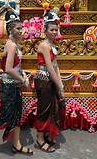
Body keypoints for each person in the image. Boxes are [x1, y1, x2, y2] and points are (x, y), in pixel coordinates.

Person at [0, 11, 33, 156]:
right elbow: (9, 69)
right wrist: (23, 79)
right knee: (6, 115)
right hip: (8, 85)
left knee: (17, 114)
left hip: (15, 85)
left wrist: (22, 75)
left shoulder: (16, 45)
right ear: (10, 29)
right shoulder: (10, 45)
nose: (20, 30)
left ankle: (16, 144)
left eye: (21, 28)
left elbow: (16, 67)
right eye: (18, 28)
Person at [34, 10, 65, 153]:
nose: (54, 32)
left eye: (55, 29)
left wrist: (60, 85)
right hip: (44, 80)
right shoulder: (44, 45)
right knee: (43, 109)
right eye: (51, 30)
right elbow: (50, 68)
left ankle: (47, 132)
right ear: (45, 31)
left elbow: (56, 66)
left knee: (53, 106)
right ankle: (39, 139)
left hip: (50, 79)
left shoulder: (52, 45)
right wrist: (59, 85)